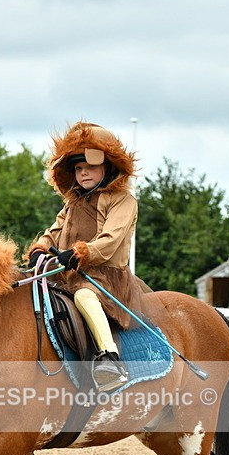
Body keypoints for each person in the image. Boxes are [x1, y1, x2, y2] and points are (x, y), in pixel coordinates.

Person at [28, 121, 143, 391]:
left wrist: (82, 252)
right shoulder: (73, 202)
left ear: (107, 167)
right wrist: (40, 248)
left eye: (90, 166)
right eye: (78, 168)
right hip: (68, 273)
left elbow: (111, 240)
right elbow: (55, 230)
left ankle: (110, 359)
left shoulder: (123, 200)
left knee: (84, 296)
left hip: (105, 278)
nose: (83, 173)